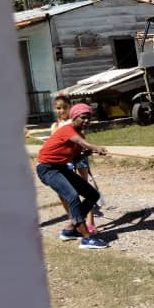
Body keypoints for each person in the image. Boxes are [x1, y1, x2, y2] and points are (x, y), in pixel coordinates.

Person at [36, 103, 109, 249]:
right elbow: (80, 142)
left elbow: (73, 158)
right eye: (83, 117)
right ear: (74, 117)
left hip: (60, 168)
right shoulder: (68, 130)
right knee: (72, 196)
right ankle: (86, 239)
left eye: (89, 118)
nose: (87, 121)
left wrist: (84, 154)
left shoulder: (79, 134)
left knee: (92, 194)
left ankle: (70, 229)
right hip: (47, 169)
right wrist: (95, 147)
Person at [51, 93, 99, 233]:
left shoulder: (74, 121)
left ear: (70, 108)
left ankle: (90, 223)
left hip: (78, 158)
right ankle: (74, 220)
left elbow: (77, 139)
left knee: (85, 189)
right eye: (58, 108)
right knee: (64, 192)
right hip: (65, 161)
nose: (61, 111)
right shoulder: (55, 125)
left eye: (64, 108)